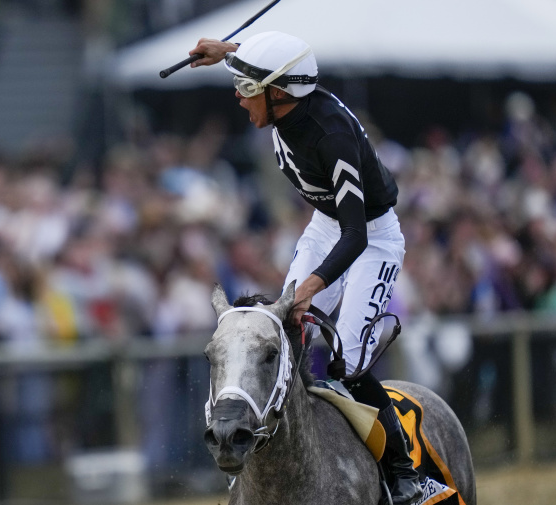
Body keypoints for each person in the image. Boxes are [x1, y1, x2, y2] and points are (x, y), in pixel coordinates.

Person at [188, 32, 422, 505]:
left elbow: (357, 235)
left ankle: (402, 467)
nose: (239, 96)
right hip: (325, 225)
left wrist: (312, 286)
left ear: (278, 95)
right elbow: (272, 72)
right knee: (284, 334)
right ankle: (261, 455)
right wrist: (227, 54)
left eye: (248, 89)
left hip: (371, 236)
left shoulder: (330, 136)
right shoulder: (284, 97)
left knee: (349, 363)